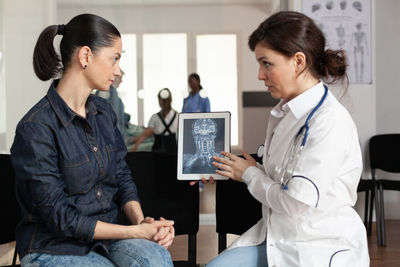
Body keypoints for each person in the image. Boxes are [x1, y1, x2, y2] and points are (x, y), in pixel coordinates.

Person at [206, 11, 369, 266]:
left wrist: (249, 174)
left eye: (266, 64)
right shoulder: (286, 111)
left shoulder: (328, 121)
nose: (260, 75)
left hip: (315, 245)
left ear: (299, 62)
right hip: (279, 236)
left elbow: (295, 203)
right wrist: (230, 168)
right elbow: (284, 176)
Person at [11, 14, 175, 267]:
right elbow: (60, 218)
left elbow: (121, 175)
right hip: (52, 246)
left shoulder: (104, 112)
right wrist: (135, 233)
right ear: (86, 56)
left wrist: (142, 223)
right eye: (115, 58)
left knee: (156, 257)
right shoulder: (36, 128)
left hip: (105, 239)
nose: (118, 70)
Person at [131, 88, 178, 154]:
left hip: (158, 152)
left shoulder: (155, 117)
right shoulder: (177, 116)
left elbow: (145, 134)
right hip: (173, 151)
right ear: (171, 100)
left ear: (160, 100)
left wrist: (134, 147)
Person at [96, 69, 128, 137]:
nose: (121, 81)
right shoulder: (106, 91)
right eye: (120, 78)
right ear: (114, 76)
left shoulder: (114, 94)